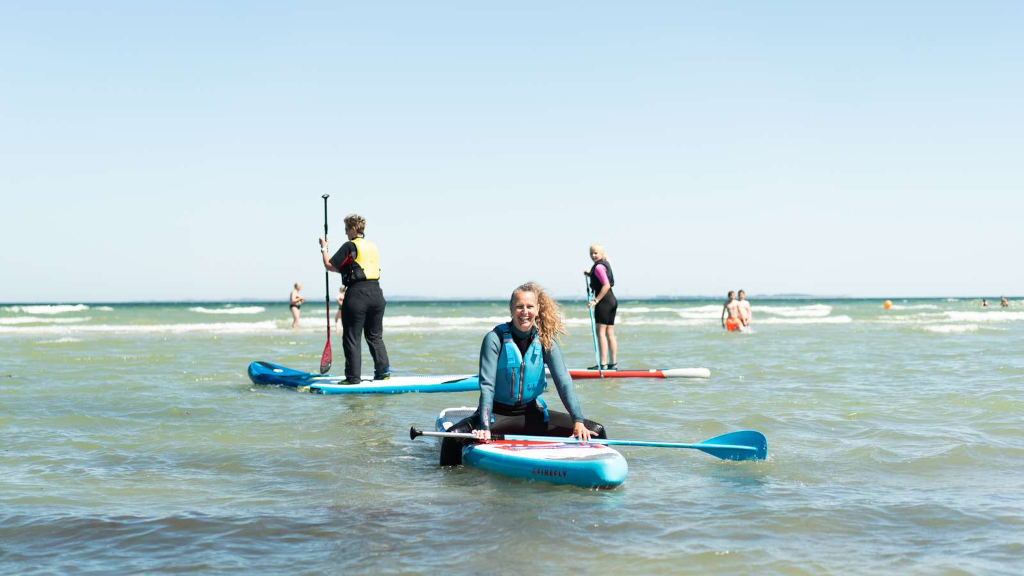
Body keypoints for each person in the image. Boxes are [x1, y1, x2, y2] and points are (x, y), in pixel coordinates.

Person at [439, 282, 607, 466]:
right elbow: (487, 385)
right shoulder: (494, 339)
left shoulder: (545, 341)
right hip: (496, 416)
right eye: (519, 307)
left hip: (531, 415)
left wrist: (577, 421)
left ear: (538, 309)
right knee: (452, 437)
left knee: (596, 430)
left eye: (529, 307)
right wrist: (485, 426)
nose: (524, 312)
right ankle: (456, 481)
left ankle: (591, 471)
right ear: (511, 309)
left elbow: (563, 382)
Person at [319, 213, 390, 384]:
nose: (345, 233)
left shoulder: (350, 245)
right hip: (377, 294)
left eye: (346, 229)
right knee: (375, 337)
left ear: (352, 228)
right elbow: (356, 267)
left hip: (357, 295)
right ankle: (383, 372)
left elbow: (329, 265)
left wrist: (324, 248)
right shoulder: (372, 246)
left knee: (352, 337)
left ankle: (352, 378)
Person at [583, 243, 618, 370]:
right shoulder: (604, 264)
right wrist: (589, 274)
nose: (593, 255)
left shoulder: (598, 267)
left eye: (596, 253)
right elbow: (601, 277)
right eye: (591, 253)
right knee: (609, 333)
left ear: (602, 253)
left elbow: (606, 285)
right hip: (612, 301)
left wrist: (595, 300)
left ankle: (603, 364)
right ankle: (613, 364)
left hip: (604, 302)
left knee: (601, 333)